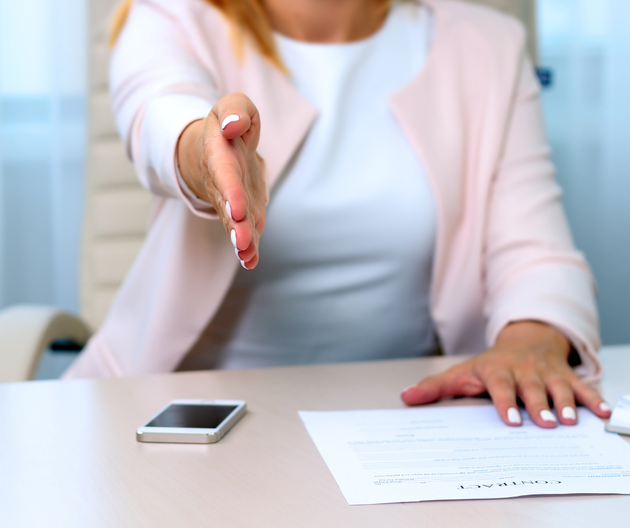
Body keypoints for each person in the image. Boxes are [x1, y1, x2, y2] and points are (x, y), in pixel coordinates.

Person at [64, 0, 612, 429]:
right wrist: (204, 151)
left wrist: (530, 341)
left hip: (400, 423)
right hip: (180, 416)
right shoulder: (172, 15)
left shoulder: (488, 46)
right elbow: (160, 112)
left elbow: (536, 251)